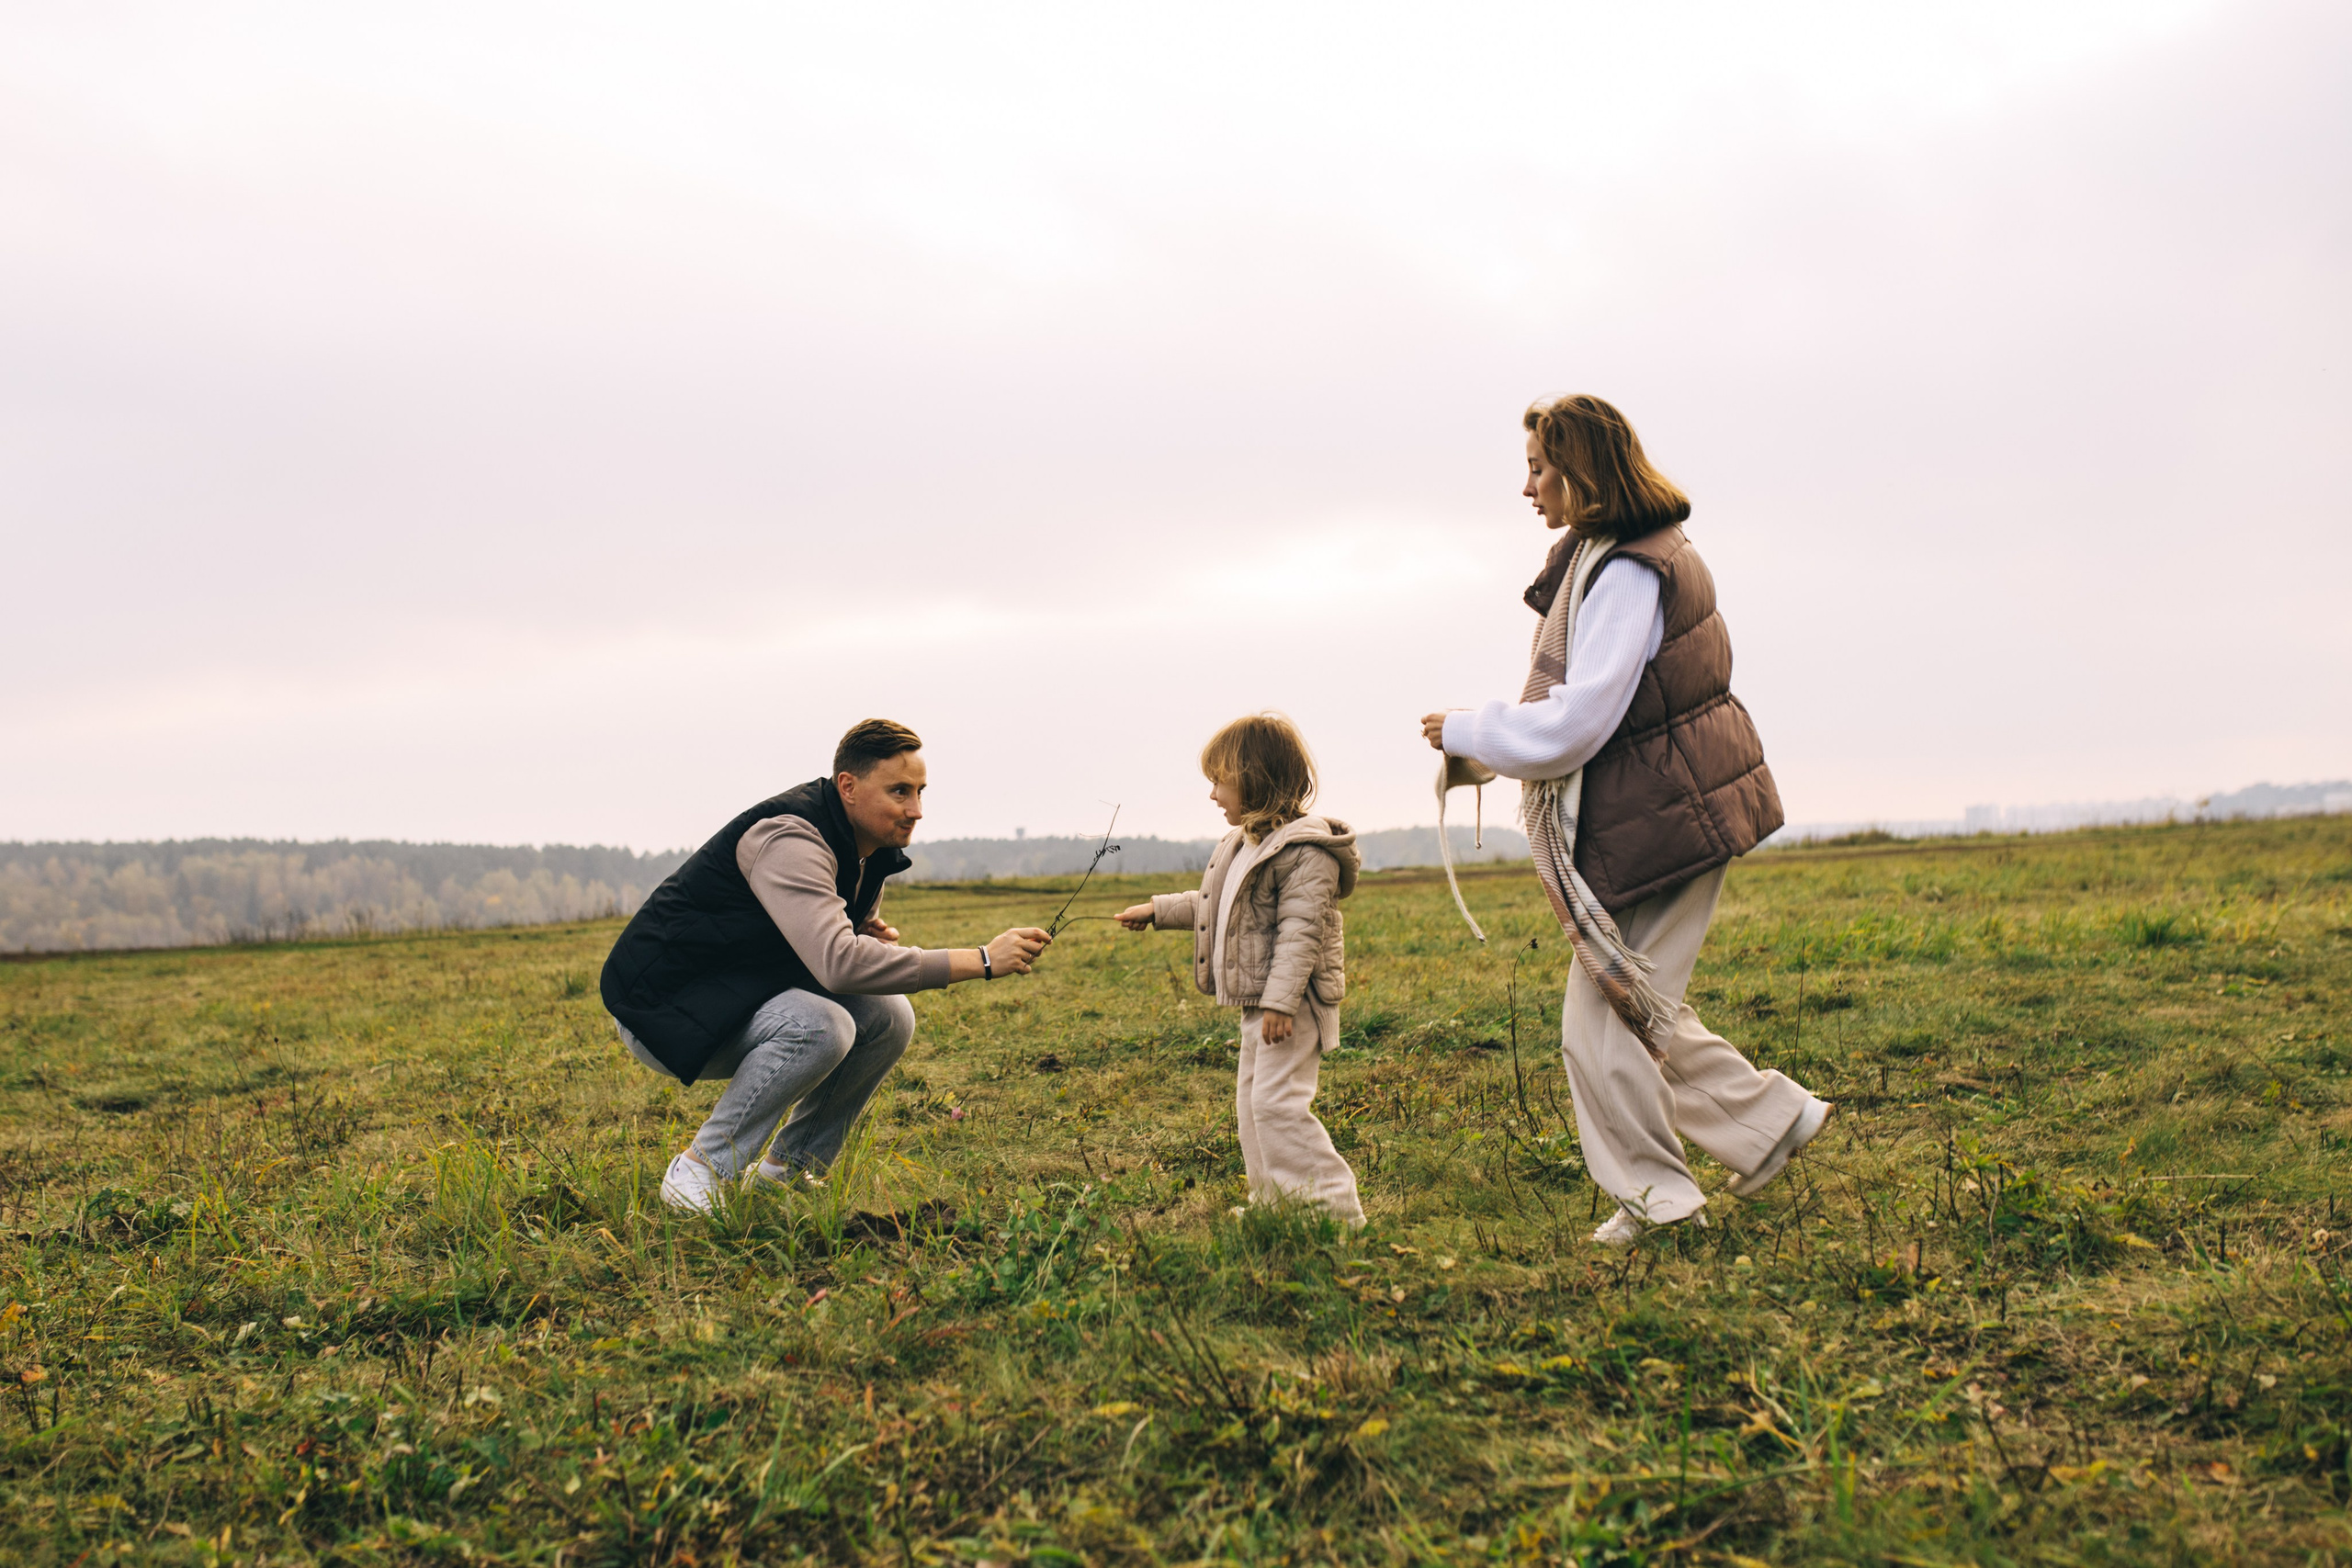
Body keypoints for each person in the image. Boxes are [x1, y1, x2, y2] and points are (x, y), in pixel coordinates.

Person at [1421, 395, 1830, 1246]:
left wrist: (1471, 728)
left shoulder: (1626, 571)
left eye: (1538, 466)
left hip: (1665, 822)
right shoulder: (1615, 559)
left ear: (1580, 470)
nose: (1527, 487)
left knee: (1602, 1024)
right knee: (1636, 1007)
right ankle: (1767, 1123)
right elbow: (1599, 713)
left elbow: (1580, 718)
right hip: (1665, 812)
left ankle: (1660, 1197)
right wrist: (1492, 750)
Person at [600, 718, 1051, 1211]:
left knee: (888, 1017)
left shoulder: (870, 847)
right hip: (664, 1007)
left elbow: (820, 939)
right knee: (822, 1025)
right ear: (848, 787)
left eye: (921, 791)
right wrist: (982, 960)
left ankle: (787, 1171)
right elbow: (840, 965)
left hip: (739, 989)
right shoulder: (789, 838)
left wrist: (855, 929)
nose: (916, 810)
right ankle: (701, 1170)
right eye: (899, 791)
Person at [1115, 714, 1364, 1226]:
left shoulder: (1305, 853)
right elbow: (1217, 905)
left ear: (1254, 778)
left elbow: (1301, 933)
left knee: (1278, 1105)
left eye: (1218, 781)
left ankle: (1333, 1212)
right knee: (1254, 1106)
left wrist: (1280, 1002)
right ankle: (1275, 1205)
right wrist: (1158, 911)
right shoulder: (1245, 843)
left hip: (1293, 1006)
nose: (1212, 795)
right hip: (1262, 1004)